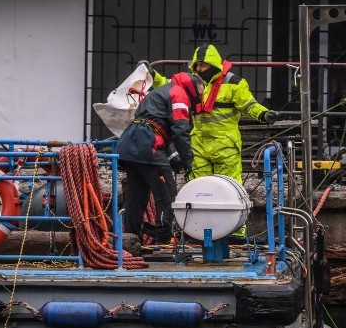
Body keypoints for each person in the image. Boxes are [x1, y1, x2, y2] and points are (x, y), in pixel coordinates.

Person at [115, 72, 202, 244]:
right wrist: (188, 161)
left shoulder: (160, 92)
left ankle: (131, 241)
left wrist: (174, 158)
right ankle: (162, 242)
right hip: (148, 146)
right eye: (201, 91)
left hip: (132, 145)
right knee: (167, 195)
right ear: (193, 87)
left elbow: (155, 125)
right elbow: (180, 130)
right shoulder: (179, 94)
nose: (201, 96)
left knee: (136, 197)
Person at [188, 43, 278, 183]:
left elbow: (248, 105)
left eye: (202, 65)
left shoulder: (234, 84)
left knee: (228, 188)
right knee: (199, 189)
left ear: (213, 65)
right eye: (197, 65)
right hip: (198, 146)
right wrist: (152, 75)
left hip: (225, 148)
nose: (199, 68)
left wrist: (264, 114)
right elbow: (168, 85)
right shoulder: (192, 82)